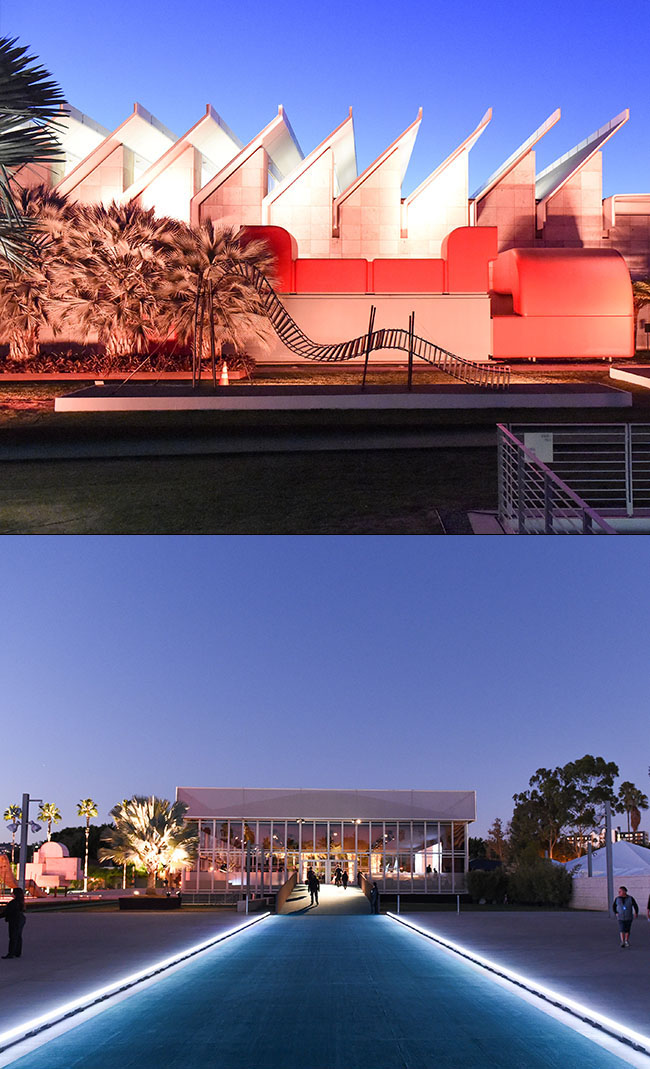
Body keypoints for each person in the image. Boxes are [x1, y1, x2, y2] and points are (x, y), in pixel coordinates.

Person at [1, 887, 26, 959]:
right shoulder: (21, 901)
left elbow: (7, 912)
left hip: (14, 920)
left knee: (13, 936)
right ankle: (17, 952)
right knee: (18, 936)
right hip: (20, 919)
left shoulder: (13, 902)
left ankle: (11, 953)